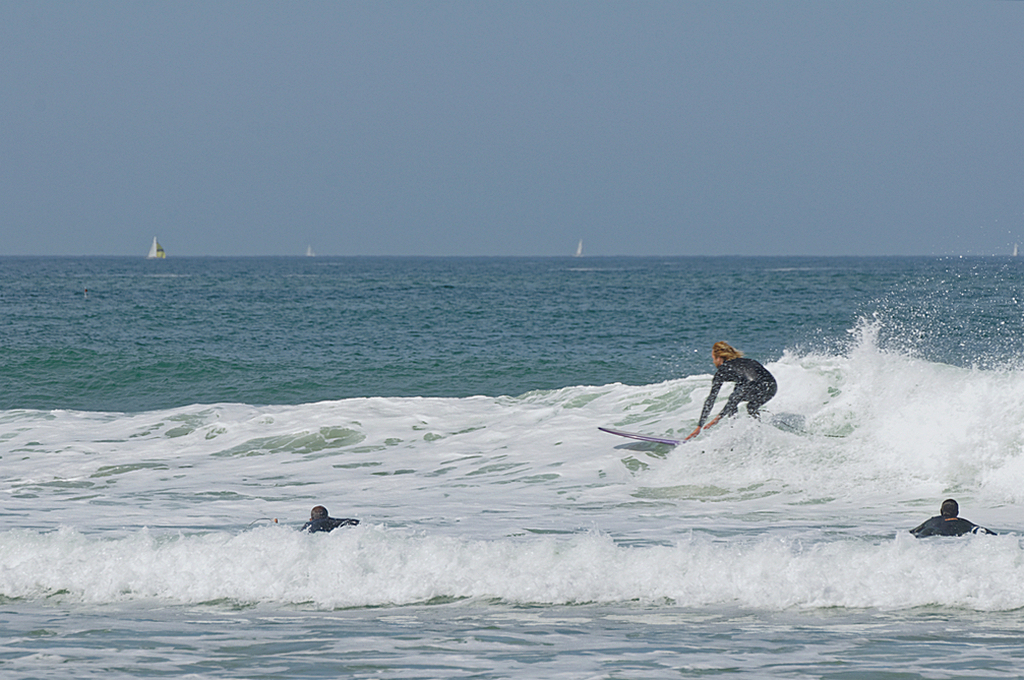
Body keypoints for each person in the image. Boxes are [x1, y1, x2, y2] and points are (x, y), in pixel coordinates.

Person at [685, 341, 777, 441]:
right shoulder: (747, 362)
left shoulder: (723, 370)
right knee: (751, 406)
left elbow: (711, 399)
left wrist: (700, 426)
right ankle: (759, 432)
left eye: (713, 359)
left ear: (719, 358)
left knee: (734, 398)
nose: (713, 362)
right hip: (772, 387)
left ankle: (733, 434)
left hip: (752, 385)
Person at [910, 499, 996, 537]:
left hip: (931, 541)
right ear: (957, 513)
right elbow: (983, 531)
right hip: (953, 545)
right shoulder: (964, 523)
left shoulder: (931, 521)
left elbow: (911, 533)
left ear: (941, 511)